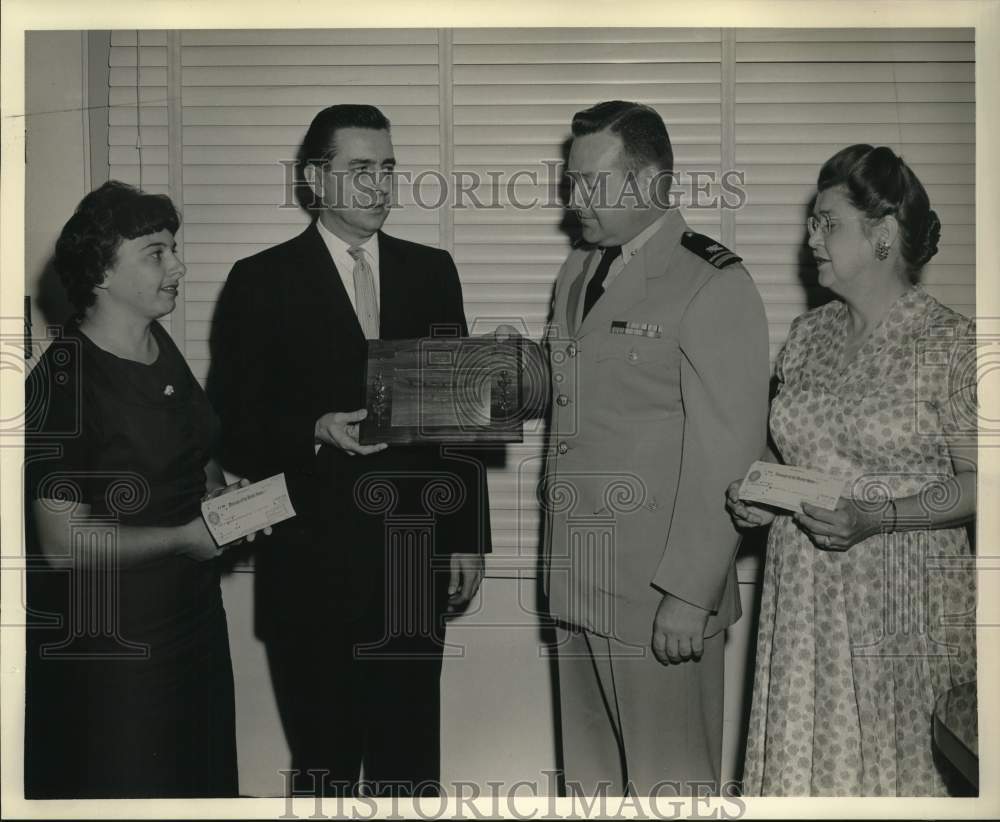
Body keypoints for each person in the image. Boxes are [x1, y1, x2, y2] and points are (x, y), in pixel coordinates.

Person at [207, 104, 490, 797]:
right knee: (325, 772)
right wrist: (313, 427)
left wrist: (467, 538)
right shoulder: (260, 280)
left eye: (388, 168)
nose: (379, 186)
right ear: (314, 178)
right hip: (309, 572)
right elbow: (229, 425)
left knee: (410, 772)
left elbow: (457, 422)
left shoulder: (432, 272)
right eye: (360, 169)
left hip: (409, 566)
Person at [528, 100, 770, 796]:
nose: (573, 200)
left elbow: (729, 452)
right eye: (570, 180)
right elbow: (578, 404)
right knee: (592, 786)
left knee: (671, 790)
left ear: (650, 181)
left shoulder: (713, 283)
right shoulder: (578, 271)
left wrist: (689, 596)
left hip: (658, 595)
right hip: (579, 578)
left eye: (589, 183)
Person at [727, 144, 977, 796]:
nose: (810, 237)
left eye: (827, 221)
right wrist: (761, 497)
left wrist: (879, 517)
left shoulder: (949, 342)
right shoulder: (808, 335)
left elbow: (985, 483)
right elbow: (793, 456)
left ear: (884, 234)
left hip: (901, 593)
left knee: (898, 775)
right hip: (802, 595)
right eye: (813, 221)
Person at [24, 181, 249, 798]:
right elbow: (61, 543)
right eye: (156, 252)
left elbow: (192, 458)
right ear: (100, 271)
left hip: (193, 620)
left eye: (174, 248)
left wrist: (227, 503)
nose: (178, 265)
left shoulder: (157, 345)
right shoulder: (61, 383)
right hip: (115, 646)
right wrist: (187, 536)